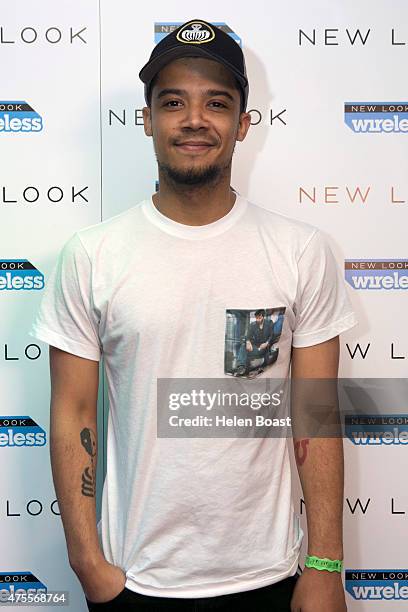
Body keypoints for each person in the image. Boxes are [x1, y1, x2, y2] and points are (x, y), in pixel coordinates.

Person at [29, 18, 357, 612]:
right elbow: (73, 409)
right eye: (173, 102)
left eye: (217, 103)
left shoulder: (300, 250)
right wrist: (86, 561)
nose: (194, 120)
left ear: (243, 124)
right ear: (147, 118)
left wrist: (326, 564)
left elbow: (316, 413)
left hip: (272, 575)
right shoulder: (93, 254)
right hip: (137, 579)